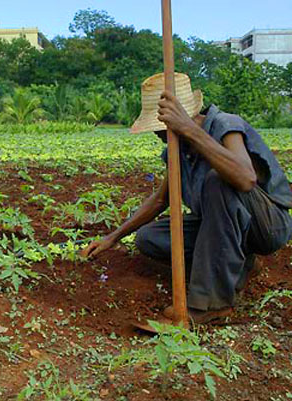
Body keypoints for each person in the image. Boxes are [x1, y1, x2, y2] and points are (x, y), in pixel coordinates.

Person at [81, 72, 292, 324]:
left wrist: (189, 130)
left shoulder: (225, 126)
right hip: (221, 228)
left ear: (184, 116)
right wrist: (112, 237)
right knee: (150, 238)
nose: (158, 135)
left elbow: (245, 178)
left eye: (161, 128)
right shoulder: (177, 149)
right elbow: (161, 200)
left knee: (217, 180)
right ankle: (241, 265)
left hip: (266, 225)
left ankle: (211, 305)